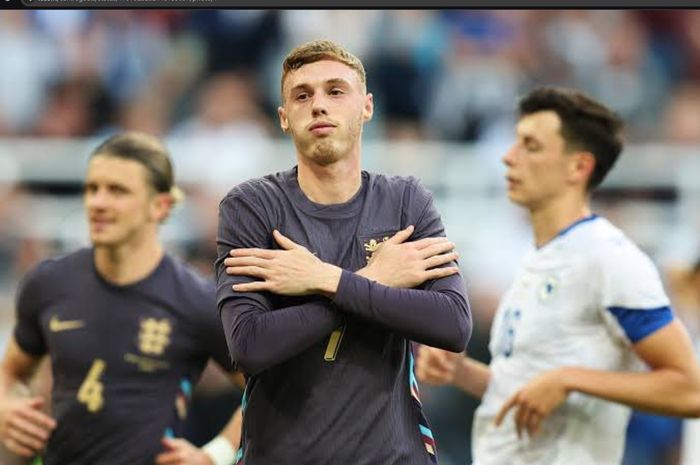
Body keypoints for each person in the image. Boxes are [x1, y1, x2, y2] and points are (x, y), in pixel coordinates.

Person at [215, 39, 472, 465]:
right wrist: (371, 280)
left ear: (366, 107)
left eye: (335, 91)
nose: (318, 105)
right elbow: (249, 346)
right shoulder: (251, 207)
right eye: (302, 95)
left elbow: (453, 325)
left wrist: (326, 279)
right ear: (283, 117)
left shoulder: (406, 202)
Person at [415, 86, 700, 465]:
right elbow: (532, 392)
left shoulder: (609, 258)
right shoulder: (538, 263)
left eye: (530, 146)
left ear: (578, 167)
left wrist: (570, 378)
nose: (508, 157)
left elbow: (690, 390)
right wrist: (462, 372)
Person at [0, 132, 242, 465]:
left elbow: (266, 391)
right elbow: (11, 371)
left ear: (160, 206)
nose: (97, 202)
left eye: (117, 191)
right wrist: (4, 405)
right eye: (92, 188)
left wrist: (214, 455)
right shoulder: (49, 283)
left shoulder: (196, 300)